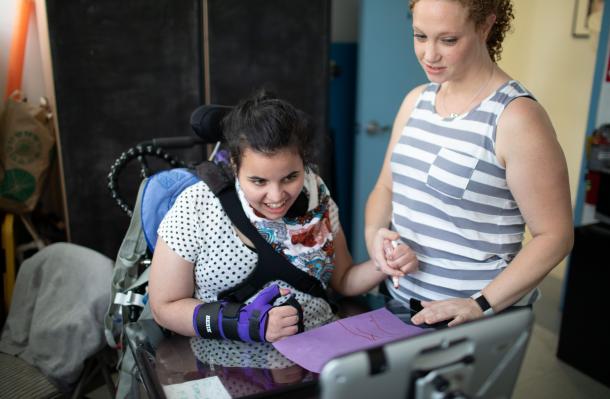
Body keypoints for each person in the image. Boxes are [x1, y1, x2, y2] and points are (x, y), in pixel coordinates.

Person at [365, 0, 574, 327]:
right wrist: (374, 235)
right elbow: (385, 187)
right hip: (400, 304)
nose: (429, 54)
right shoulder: (416, 101)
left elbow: (555, 235)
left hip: (472, 322)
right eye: (420, 36)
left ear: (485, 27)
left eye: (448, 40)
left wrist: (479, 304)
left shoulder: (516, 118)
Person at [149, 90, 387, 343]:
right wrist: (243, 323)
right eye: (258, 181)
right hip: (228, 360)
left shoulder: (317, 195)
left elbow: (343, 279)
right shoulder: (197, 206)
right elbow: (164, 307)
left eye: (290, 177)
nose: (276, 196)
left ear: (304, 162)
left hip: (319, 348)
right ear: (234, 165)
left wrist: (384, 263)